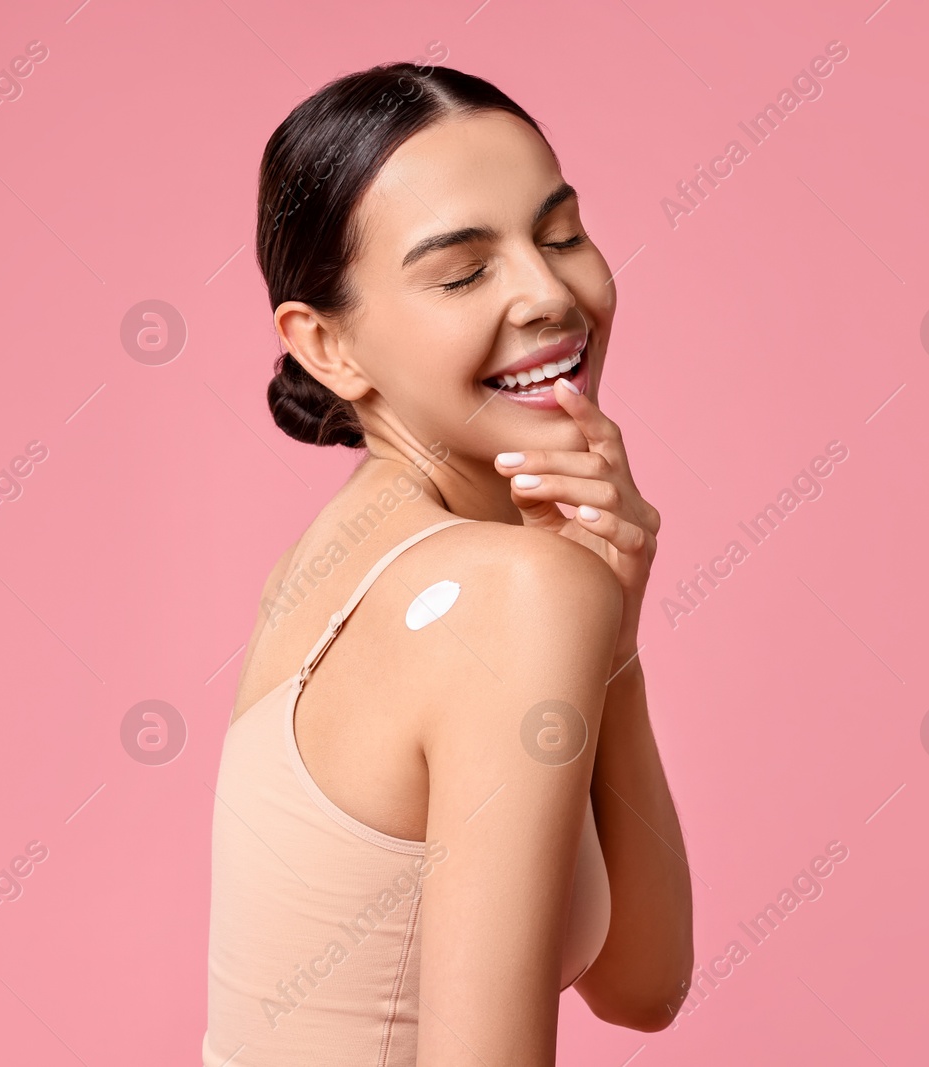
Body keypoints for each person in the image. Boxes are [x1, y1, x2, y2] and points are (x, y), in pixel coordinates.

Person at [202, 61, 693, 1066]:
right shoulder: (504, 592)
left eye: (560, 235)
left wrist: (614, 638)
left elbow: (643, 985)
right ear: (326, 344)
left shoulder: (341, 559)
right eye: (465, 270)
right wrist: (567, 599)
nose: (550, 293)